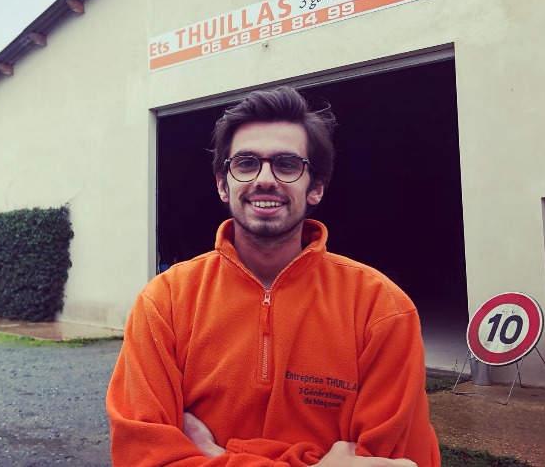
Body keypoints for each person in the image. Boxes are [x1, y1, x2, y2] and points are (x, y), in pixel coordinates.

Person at [106, 87, 438, 466]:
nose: (265, 179)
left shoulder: (381, 310)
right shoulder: (164, 302)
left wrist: (215, 456)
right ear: (222, 184)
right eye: (246, 163)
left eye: (287, 164)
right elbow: (141, 456)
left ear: (315, 188)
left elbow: (400, 459)